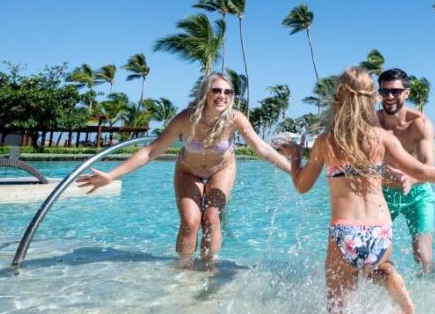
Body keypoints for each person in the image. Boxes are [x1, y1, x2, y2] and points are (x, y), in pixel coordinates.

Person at [279, 66, 435, 314]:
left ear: (338, 98)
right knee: (373, 265)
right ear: (372, 97)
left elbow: (302, 185)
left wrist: (295, 156)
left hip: (344, 232)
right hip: (380, 231)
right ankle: (388, 275)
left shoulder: (326, 141)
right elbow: (423, 171)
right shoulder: (382, 137)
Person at [77, 72, 292, 262]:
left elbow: (262, 149)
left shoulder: (235, 119)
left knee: (211, 218)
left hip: (222, 169)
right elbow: (151, 151)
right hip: (188, 170)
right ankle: (184, 269)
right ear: (205, 93)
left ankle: (209, 268)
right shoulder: (186, 118)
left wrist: (295, 171)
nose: (222, 96)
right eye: (216, 90)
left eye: (228, 91)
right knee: (191, 222)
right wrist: (112, 176)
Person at [375, 68, 435, 274]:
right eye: (384, 92)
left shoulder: (420, 124)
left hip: (418, 193)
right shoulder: (372, 122)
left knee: (423, 254)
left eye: (395, 91)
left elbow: (428, 166)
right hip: (382, 193)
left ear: (406, 93)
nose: (389, 97)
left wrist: (410, 180)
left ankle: (431, 292)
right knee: (373, 251)